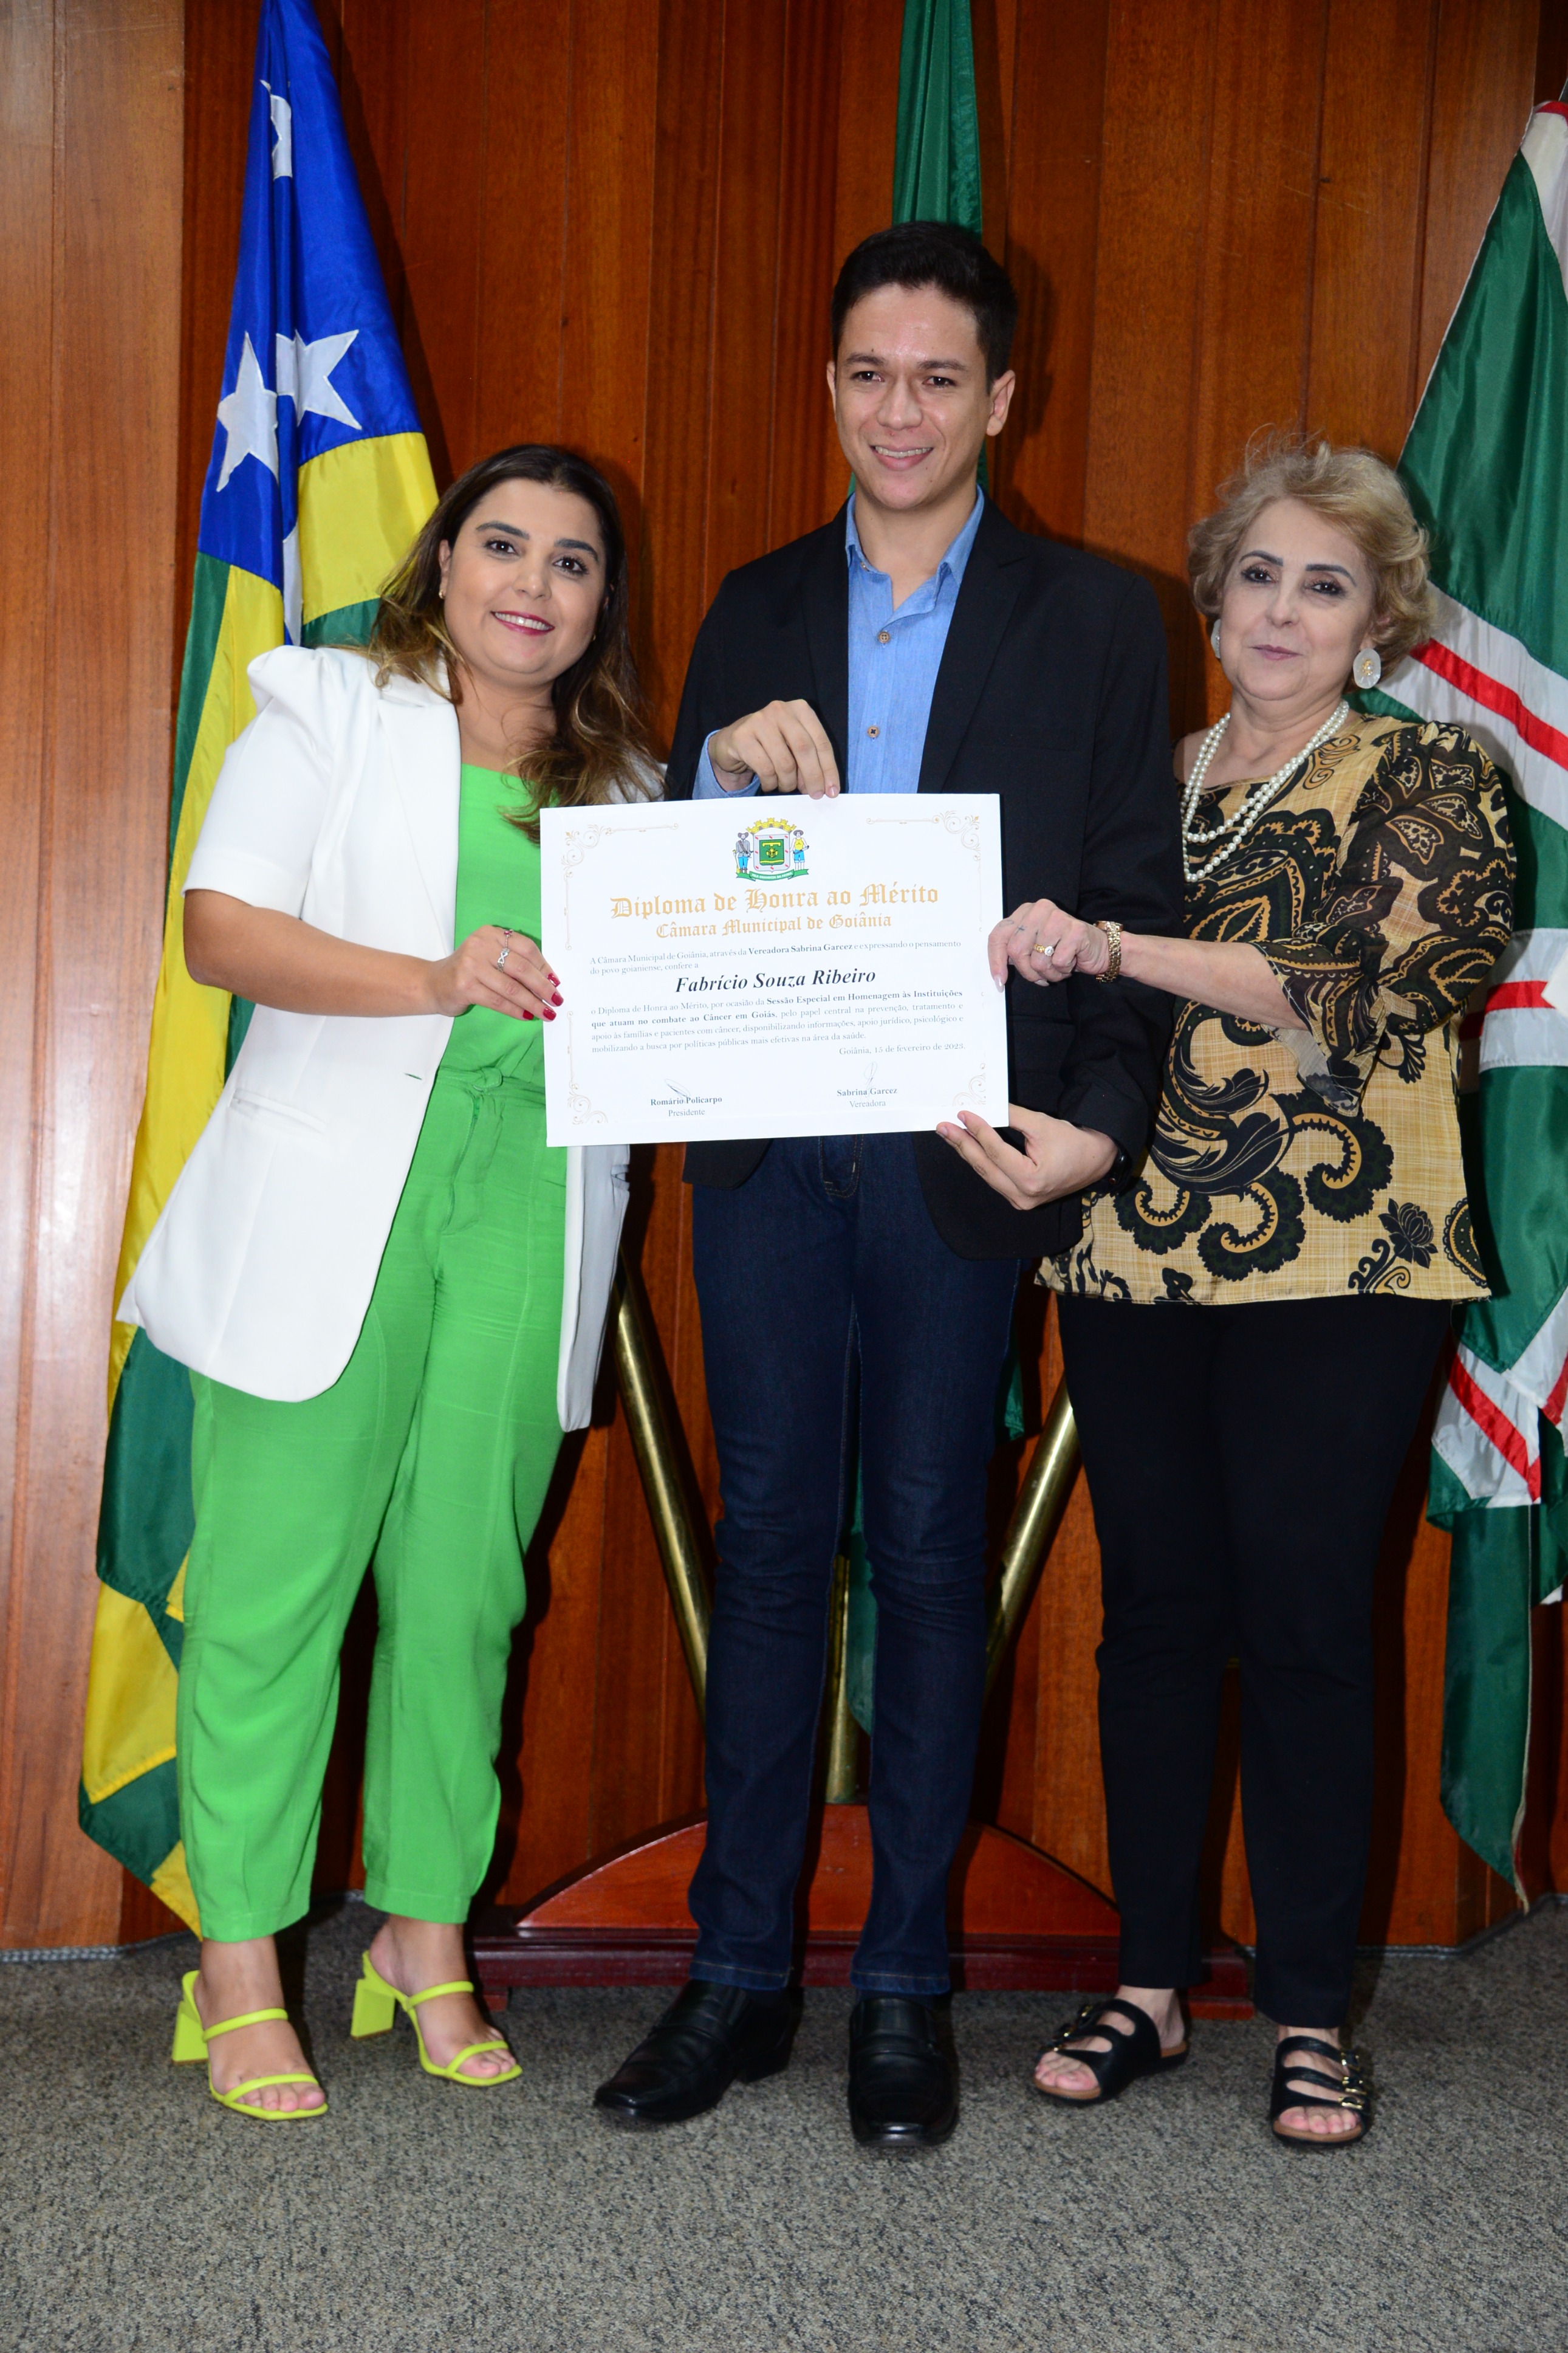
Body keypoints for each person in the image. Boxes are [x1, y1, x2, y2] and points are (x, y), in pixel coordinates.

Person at [593, 222, 1183, 2151]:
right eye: (869, 374)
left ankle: (906, 1984)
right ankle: (740, 1973)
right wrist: (712, 787)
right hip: (768, 1156)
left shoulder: (1100, 619)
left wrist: (1101, 1126)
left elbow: (1130, 892)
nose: (900, 410)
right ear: (830, 386)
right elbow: (681, 890)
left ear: (1004, 395)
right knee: (769, 1550)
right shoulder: (753, 605)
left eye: (939, 377)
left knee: (932, 1558)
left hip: (967, 1160)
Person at [940, 435, 1515, 2148]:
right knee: (1157, 1621)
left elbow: (1362, 988)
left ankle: (1311, 2007)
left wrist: (1110, 944)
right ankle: (1149, 1984)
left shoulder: (1438, 773)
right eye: (1258, 574)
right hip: (1129, 1251)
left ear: (1379, 618)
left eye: (1325, 585)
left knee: (1310, 1619)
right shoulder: (1151, 776)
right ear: (1213, 596)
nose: (1282, 610)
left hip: (1349, 1258)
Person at [121, 444, 654, 2119]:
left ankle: (425, 1936)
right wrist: (434, 977)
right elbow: (220, 933)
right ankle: (238, 1968)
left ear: (599, 604)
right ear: (442, 564)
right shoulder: (330, 708)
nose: (534, 582)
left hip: (534, 1201)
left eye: (573, 561)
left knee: (466, 1592)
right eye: (504, 544)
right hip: (332, 1197)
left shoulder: (630, 792)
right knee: (275, 1592)